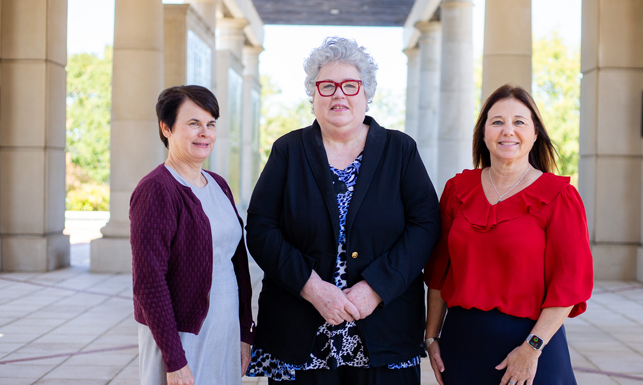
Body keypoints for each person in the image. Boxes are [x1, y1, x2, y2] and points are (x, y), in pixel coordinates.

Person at [245, 37, 440, 385]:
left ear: (367, 93)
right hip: (298, 330)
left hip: (386, 326)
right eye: (327, 86)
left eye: (350, 85)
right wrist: (311, 287)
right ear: (313, 95)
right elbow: (261, 228)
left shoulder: (400, 150)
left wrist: (376, 287)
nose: (339, 94)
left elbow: (425, 224)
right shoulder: (288, 151)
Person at [424, 84, 593, 385]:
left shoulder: (559, 197)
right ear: (484, 132)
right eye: (497, 122)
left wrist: (531, 349)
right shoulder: (457, 190)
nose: (507, 131)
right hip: (462, 346)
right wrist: (431, 335)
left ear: (536, 132)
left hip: (531, 345)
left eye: (519, 122)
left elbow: (569, 284)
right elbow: (439, 272)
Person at [130, 85, 255, 385]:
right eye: (193, 123)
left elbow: (236, 264)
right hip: (180, 337)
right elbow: (149, 282)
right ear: (166, 127)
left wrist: (244, 333)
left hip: (223, 329)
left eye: (211, 124)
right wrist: (175, 360)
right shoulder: (157, 190)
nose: (205, 133)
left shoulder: (218, 184)